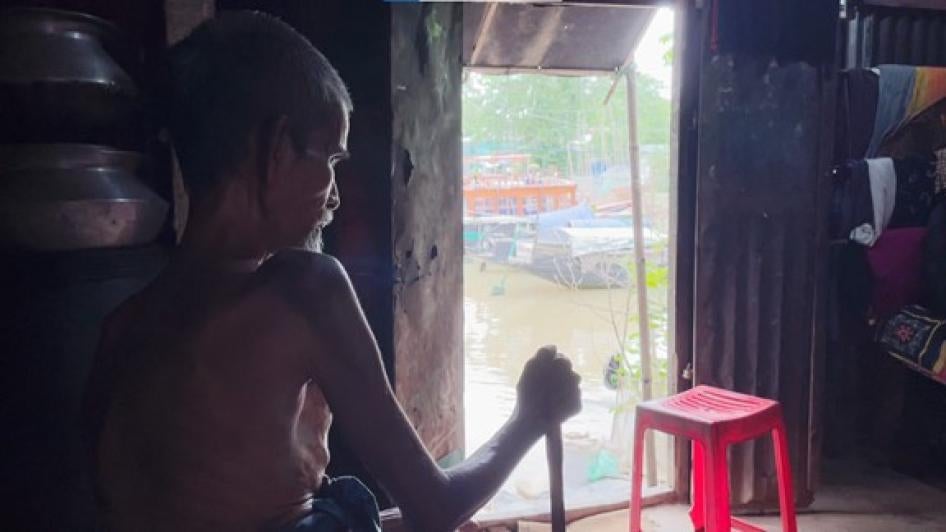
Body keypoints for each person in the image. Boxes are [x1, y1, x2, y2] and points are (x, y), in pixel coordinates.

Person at [81, 11, 582, 532]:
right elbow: (434, 508)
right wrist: (531, 415)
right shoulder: (304, 290)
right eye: (332, 161)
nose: (335, 197)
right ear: (278, 150)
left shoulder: (118, 330)